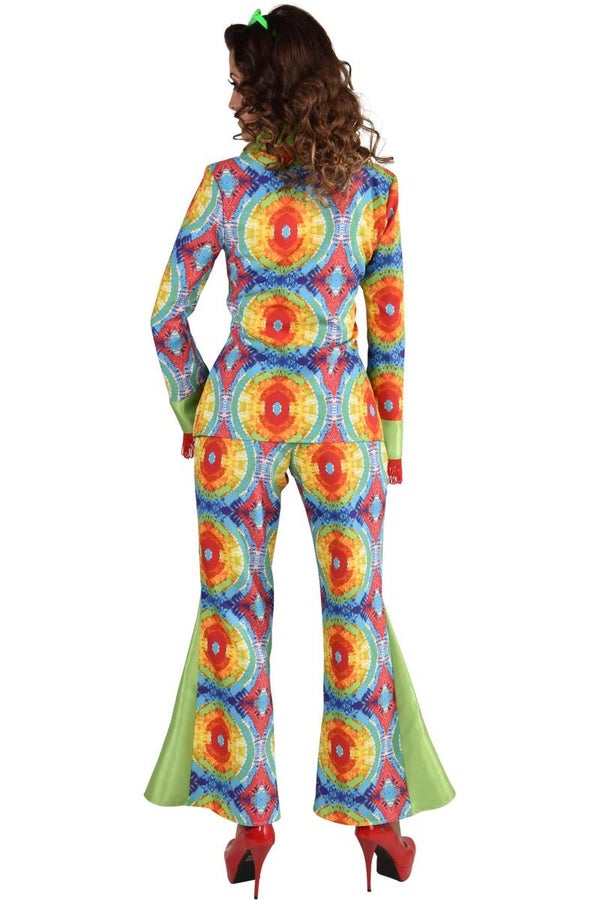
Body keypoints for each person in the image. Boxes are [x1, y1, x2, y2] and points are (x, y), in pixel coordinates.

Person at [144, 5, 455, 896]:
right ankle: (378, 821)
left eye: (241, 81)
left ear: (274, 85)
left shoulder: (224, 187)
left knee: (234, 610)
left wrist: (196, 407)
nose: (231, 98)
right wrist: (391, 437)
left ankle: (250, 825)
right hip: (341, 423)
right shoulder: (372, 191)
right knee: (357, 609)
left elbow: (165, 316)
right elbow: (388, 325)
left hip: (239, 422)